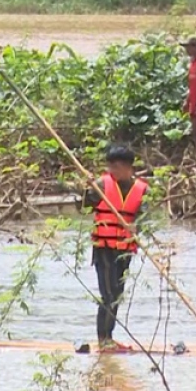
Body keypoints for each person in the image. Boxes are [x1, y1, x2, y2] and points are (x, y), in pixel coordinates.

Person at [84, 145, 148, 353]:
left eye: (118, 166)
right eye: (111, 165)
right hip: (104, 248)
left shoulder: (141, 189)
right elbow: (85, 205)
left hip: (124, 249)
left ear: (129, 168)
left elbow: (145, 217)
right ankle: (103, 340)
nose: (113, 170)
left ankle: (108, 337)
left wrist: (138, 225)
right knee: (108, 294)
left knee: (118, 293)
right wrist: (87, 190)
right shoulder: (102, 185)